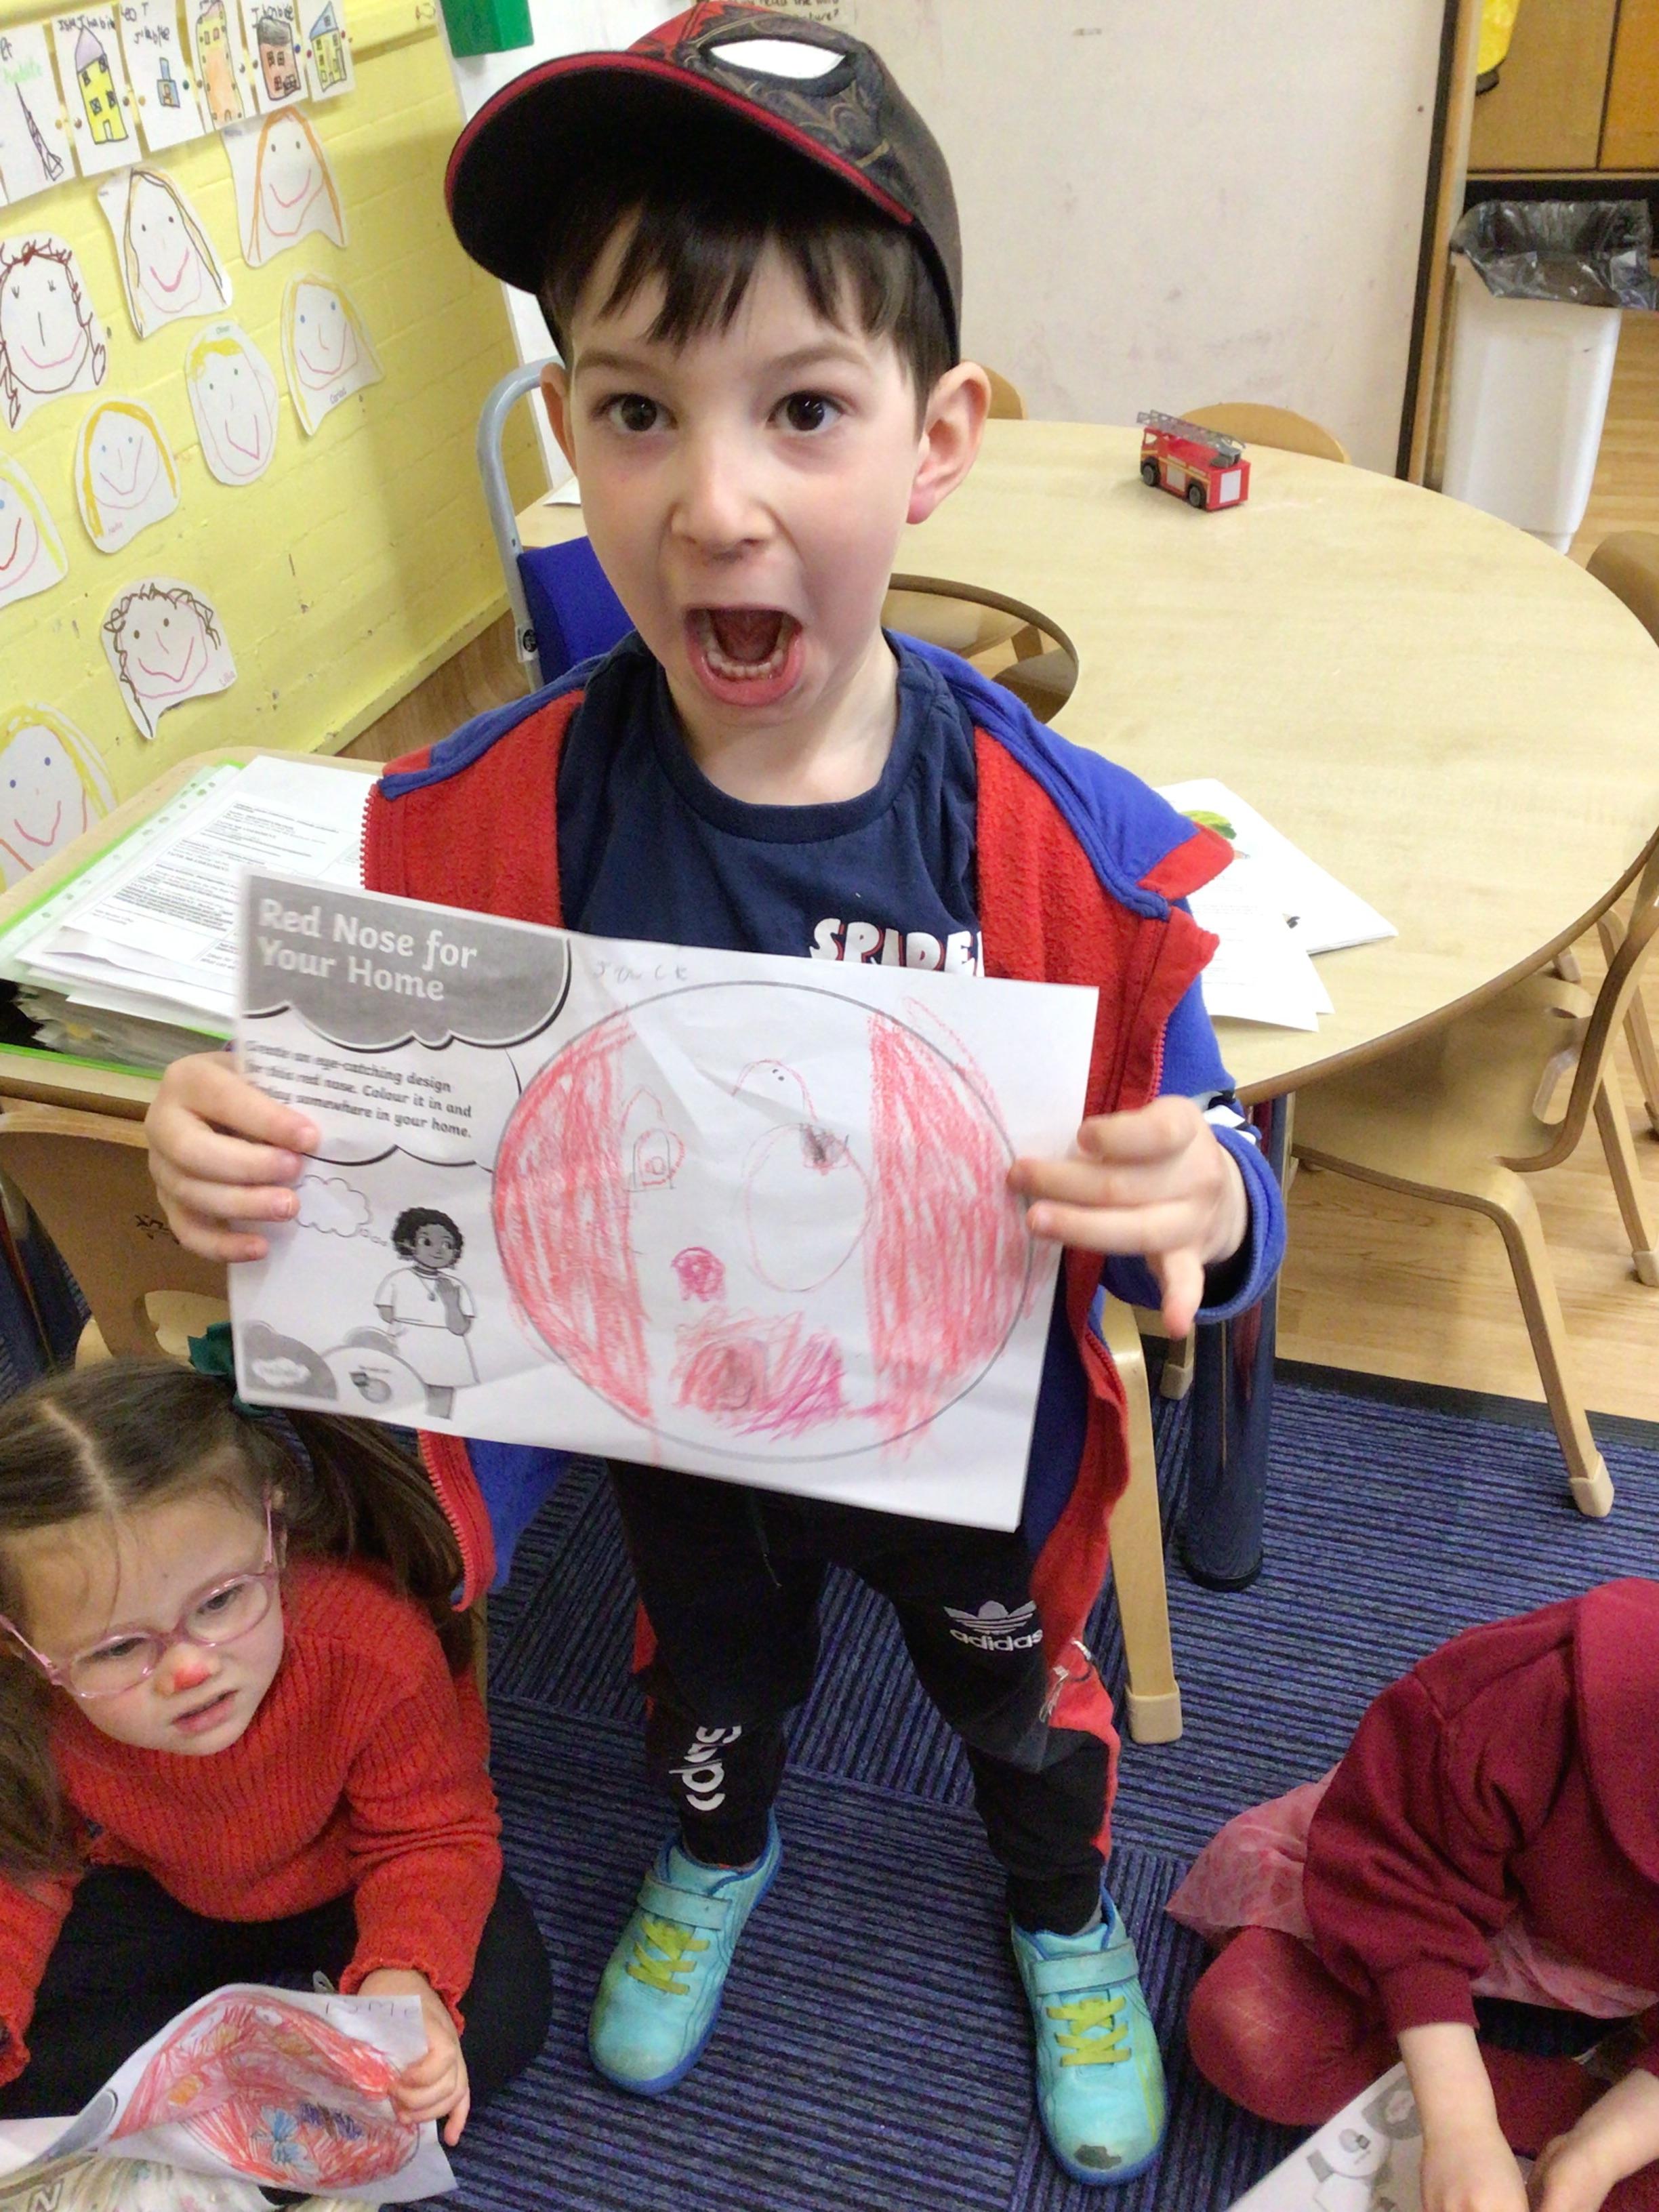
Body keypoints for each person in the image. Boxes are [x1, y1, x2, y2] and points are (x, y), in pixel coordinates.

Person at [144, 4, 1286, 2185]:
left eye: (806, 408)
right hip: (678, 1426)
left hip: (976, 1448)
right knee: (708, 1678)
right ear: (570, 431)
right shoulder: (489, 822)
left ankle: (1059, 1910)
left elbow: (1215, 1144)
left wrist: (1212, 1204)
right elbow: (373, 1153)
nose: (716, 498)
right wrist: (239, 1151)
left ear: (939, 439)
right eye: (639, 410)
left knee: (1013, 1698)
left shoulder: (1057, 842)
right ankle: (721, 1846)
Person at [0, 1351, 551, 2155]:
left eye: (223, 1601)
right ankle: (266, 2114)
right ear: (23, 1648)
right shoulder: (30, 1700)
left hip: (352, 1878)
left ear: (275, 1532)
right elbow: (24, 1867)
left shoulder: (369, 1646)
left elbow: (433, 1834)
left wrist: (406, 1980)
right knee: (23, 2065)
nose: (191, 1670)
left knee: (499, 2011)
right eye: (119, 1649)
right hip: (166, 1886)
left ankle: (223, 2112)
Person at [1174, 1580, 1659, 2212]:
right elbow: (1395, 1879)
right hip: (1429, 1886)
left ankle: (1562, 2104)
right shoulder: (1537, 1694)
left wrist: (1602, 2150)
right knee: (1251, 2033)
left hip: (1620, 1975)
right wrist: (1460, 2124)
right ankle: (1541, 2091)